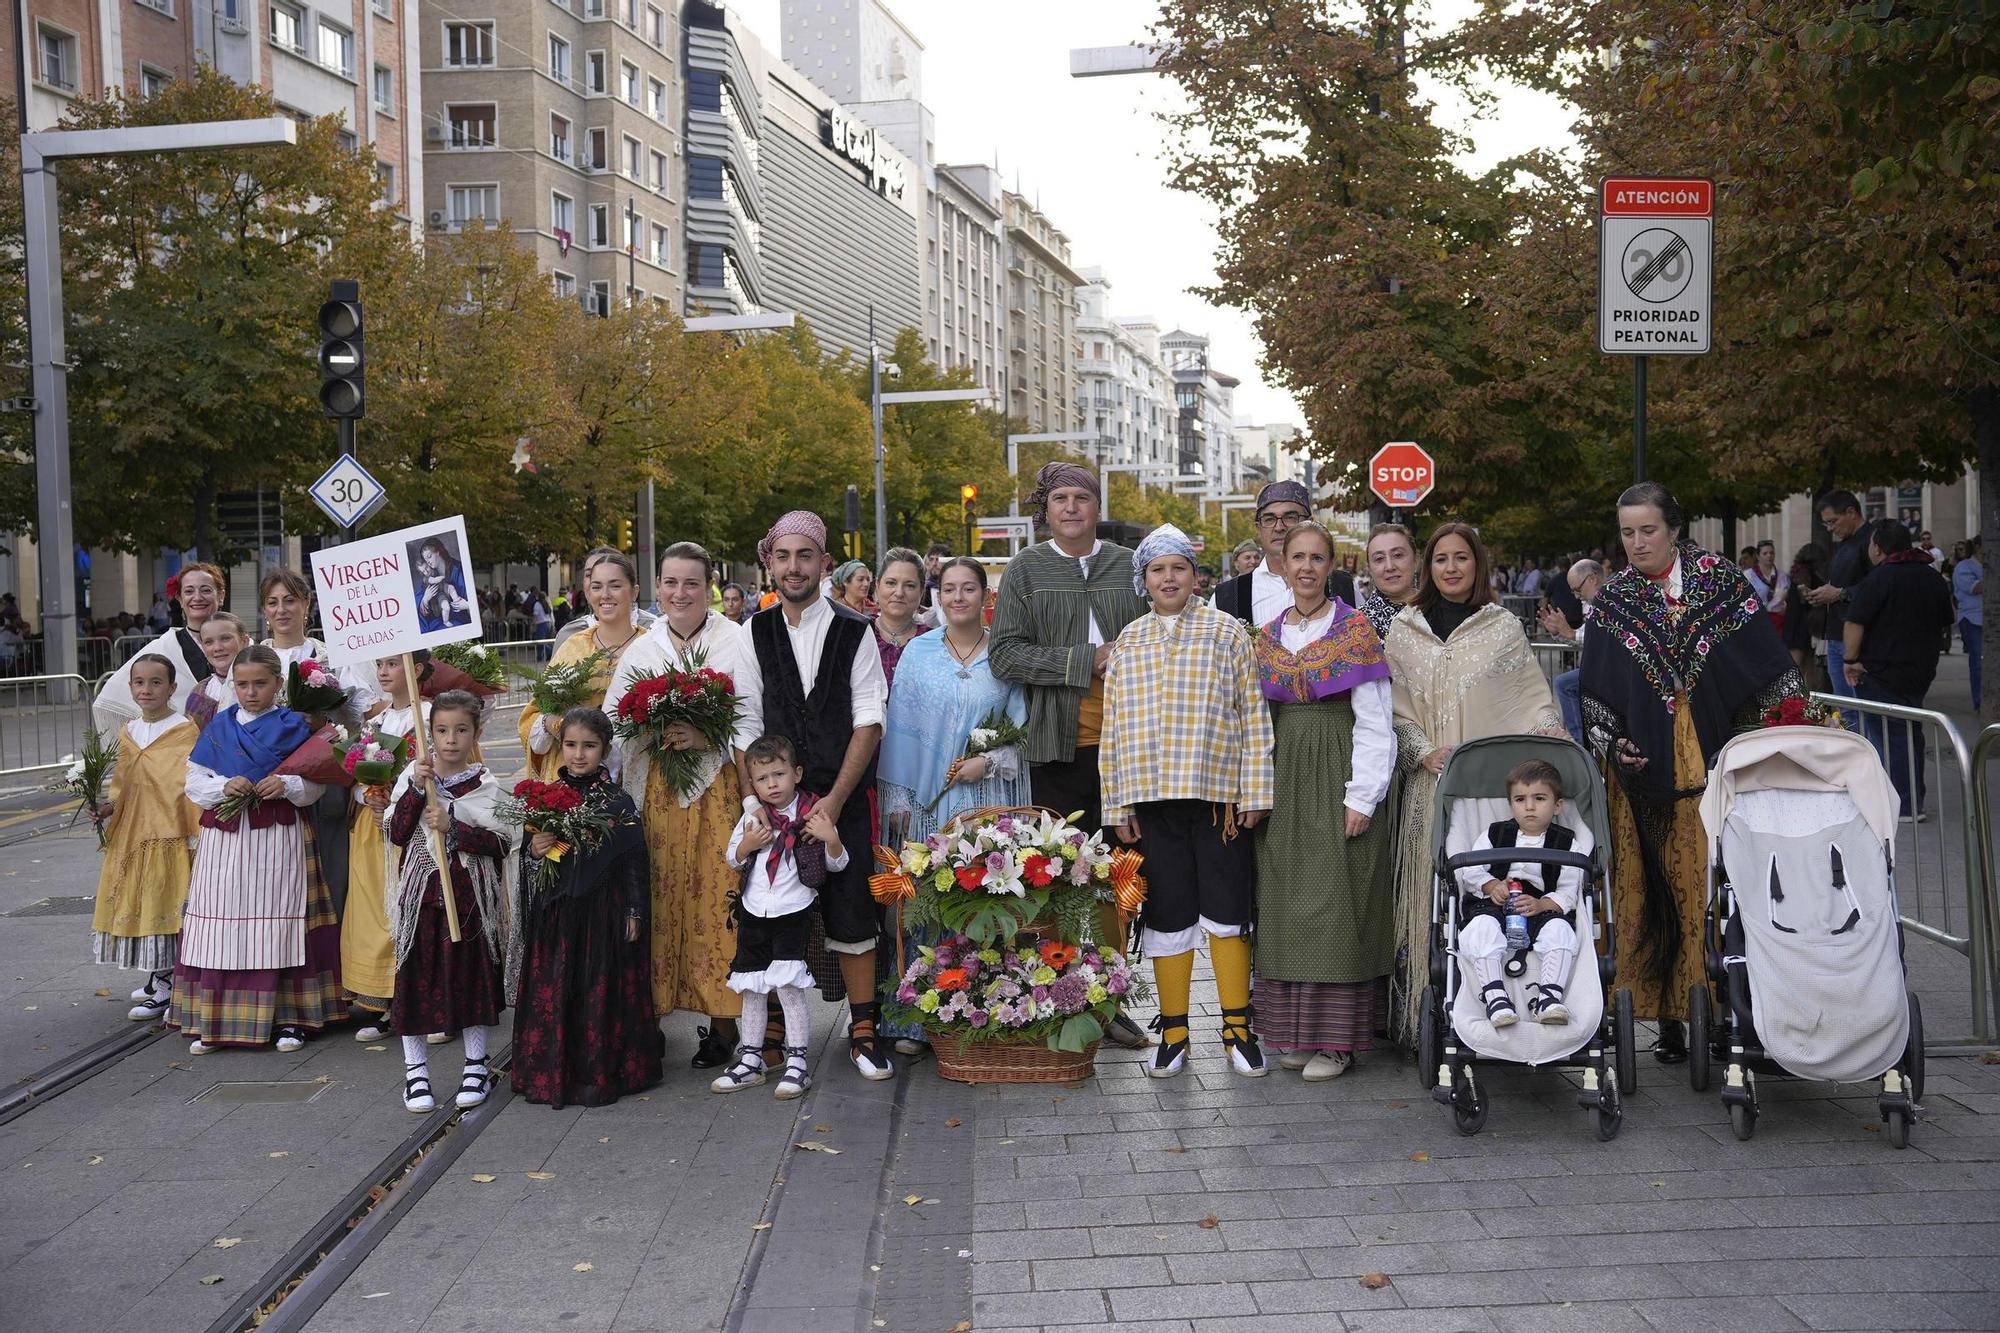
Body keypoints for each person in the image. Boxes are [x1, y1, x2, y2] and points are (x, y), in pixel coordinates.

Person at [1580, 482, 1800, 1063]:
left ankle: (1720, 1004)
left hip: (1714, 756)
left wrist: (1800, 720)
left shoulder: (1721, 582)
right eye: (1627, 532)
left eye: (1647, 530)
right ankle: (1662, 1014)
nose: (1636, 543)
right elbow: (1597, 694)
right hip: (1646, 768)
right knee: (1650, 881)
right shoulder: (1615, 599)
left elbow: (1766, 665)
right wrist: (1613, 741)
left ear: (1674, 529)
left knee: (1712, 879)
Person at [1101, 524, 1275, 1078]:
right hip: (1152, 801)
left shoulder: (1227, 635)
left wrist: (1256, 790)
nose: (1169, 578)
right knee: (1168, 914)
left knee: (1227, 912)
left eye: (1178, 568)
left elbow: (1253, 716)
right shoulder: (1129, 641)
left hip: (1219, 799)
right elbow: (1114, 730)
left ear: (1196, 577)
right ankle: (1174, 1032)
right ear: (1144, 580)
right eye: (1158, 570)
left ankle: (1237, 1028)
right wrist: (1117, 805)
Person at [989, 461, 1153, 1050]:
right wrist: (1083, 659)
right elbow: (1005, 655)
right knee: (1057, 876)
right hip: (1057, 748)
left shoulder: (1125, 566)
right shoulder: (1026, 570)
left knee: (1120, 877)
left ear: (1096, 505)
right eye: (1060, 498)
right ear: (1045, 507)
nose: (1072, 508)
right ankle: (1060, 996)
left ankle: (1109, 999)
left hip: (1127, 748)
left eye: (1082, 497)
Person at [1384, 522, 1562, 1047]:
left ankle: (1502, 1008)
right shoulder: (1404, 630)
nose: (1451, 568)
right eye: (1441, 559)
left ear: (1478, 564)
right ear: (1428, 567)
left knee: (1488, 894)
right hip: (1429, 786)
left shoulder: (1501, 627)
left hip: (1487, 792)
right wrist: (1422, 751)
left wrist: (1553, 734)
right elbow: (1392, 710)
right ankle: (1428, 1017)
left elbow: (1529, 699)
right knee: (1428, 900)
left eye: (1461, 558)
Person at [741, 513, 897, 1078]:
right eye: (783, 557)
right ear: (770, 563)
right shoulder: (752, 632)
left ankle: (863, 1026)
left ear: (824, 562)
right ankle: (776, 1029)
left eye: (804, 556)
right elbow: (746, 723)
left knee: (852, 907)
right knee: (775, 908)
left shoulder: (857, 630)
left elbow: (868, 720)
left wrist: (831, 802)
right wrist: (754, 802)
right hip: (776, 800)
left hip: (841, 797)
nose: (793, 567)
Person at [604, 542, 764, 1070]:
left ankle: (723, 1025)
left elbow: (750, 720)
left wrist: (706, 736)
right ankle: (650, 1017)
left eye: (691, 583)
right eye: (671, 583)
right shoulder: (643, 648)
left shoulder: (734, 640)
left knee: (717, 903)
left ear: (710, 586)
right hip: (655, 794)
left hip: (717, 791)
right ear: (658, 588)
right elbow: (614, 722)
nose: (680, 593)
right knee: (657, 902)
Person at [1251, 522, 1395, 1080]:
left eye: (1317, 558)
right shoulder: (1265, 638)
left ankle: (1337, 1041)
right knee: (1287, 905)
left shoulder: (1355, 632)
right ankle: (1294, 1031)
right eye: (1297, 558)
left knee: (1339, 902)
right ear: (1283, 566)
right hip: (1286, 779)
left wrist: (1363, 797)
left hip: (1339, 772)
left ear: (1331, 566)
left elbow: (1376, 722)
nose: (1306, 567)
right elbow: (1256, 722)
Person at [877, 557, 1029, 1053]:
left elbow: (1021, 727)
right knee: (927, 904)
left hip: (986, 801)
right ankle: (917, 1018)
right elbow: (900, 725)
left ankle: (985, 1010)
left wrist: (989, 763)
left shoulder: (1004, 655)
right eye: (948, 589)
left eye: (968, 589)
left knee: (984, 901)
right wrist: (899, 796)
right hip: (929, 803)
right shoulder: (919, 653)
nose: (957, 597)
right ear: (937, 597)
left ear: (986, 597)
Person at [174, 645, 346, 1054]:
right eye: (242, 684)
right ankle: (214, 1022)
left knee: (283, 924)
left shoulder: (297, 725)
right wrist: (222, 786)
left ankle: (291, 1018)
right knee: (220, 925)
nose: (250, 692)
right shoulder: (218, 726)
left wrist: (286, 785)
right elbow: (193, 780)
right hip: (226, 839)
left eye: (260, 683)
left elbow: (316, 784)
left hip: (278, 836)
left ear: (278, 684)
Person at [511, 707, 661, 1108]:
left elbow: (632, 861)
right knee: (559, 987)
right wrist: (540, 850)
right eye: (571, 745)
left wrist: (634, 911)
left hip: (602, 915)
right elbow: (539, 860)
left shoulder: (618, 801)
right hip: (558, 915)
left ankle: (599, 1074)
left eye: (589, 746)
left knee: (598, 988)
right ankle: (552, 1072)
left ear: (605, 750)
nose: (579, 755)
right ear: (560, 747)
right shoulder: (543, 799)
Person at [386, 690, 517, 1113]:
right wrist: (414, 791)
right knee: (415, 980)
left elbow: (502, 842)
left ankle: (475, 1064)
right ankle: (415, 1071)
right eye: (441, 731)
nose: (450, 740)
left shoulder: (486, 786)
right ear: (429, 734)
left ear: (476, 733)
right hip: (422, 899)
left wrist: (455, 827)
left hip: (468, 900)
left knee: (470, 980)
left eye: (461, 730)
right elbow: (396, 832)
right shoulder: (414, 778)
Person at [711, 735, 847, 1098]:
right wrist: (748, 845)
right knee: (753, 987)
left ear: (796, 773)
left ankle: (798, 1061)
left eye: (779, 774)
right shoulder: (753, 817)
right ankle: (751, 1057)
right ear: (752, 785)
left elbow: (838, 863)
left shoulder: (813, 814)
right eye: (762, 778)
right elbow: (733, 859)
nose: (772, 784)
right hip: (754, 909)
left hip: (793, 910)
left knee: (787, 986)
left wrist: (829, 837)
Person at [90, 654, 201, 1020]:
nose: (147, 689)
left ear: (172, 688)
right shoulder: (130, 731)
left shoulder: (185, 730)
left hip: (169, 831)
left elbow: (187, 783)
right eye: (139, 682)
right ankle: (161, 976)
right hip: (134, 832)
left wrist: (195, 832)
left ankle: (169, 980)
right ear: (131, 688)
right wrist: (108, 807)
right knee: (143, 900)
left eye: (156, 682)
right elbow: (124, 781)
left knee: (167, 900)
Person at [1450, 759, 1591, 1026]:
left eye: (1539, 798)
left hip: (1539, 908)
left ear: (1557, 805)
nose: (1529, 807)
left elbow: (1569, 888)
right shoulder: (1494, 834)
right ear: (1510, 804)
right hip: (1493, 906)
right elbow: (1471, 871)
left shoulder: (1565, 843)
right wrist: (1492, 886)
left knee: (1560, 931)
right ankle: (1495, 997)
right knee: (1481, 927)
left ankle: (1549, 998)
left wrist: (1543, 904)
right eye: (1520, 799)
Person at [1845, 519, 1955, 821]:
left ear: (1877, 548)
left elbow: (1855, 622)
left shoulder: (1879, 579)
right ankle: (1910, 799)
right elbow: (1948, 618)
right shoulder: (1932, 577)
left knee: (1889, 736)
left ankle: (1901, 803)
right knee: (1910, 732)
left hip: (1880, 669)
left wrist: (1849, 660)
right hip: (1920, 669)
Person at [342, 653, 427, 1043]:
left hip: (415, 830)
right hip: (374, 831)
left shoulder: (429, 718)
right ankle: (387, 1001)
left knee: (416, 909)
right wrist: (369, 796)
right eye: (380, 664)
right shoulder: (375, 724)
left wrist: (394, 803)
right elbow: (357, 773)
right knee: (380, 912)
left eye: (393, 663)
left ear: (417, 669)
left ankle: (426, 1002)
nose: (383, 671)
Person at [520, 549, 648, 782]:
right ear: (588, 592)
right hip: (576, 778)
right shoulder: (573, 647)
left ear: (634, 591)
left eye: (615, 586)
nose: (605, 595)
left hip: (638, 774)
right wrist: (553, 724)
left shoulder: (652, 646)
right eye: (597, 587)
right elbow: (535, 712)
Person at [94, 562, 227, 733]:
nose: (197, 597)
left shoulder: (241, 646)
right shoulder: (162, 647)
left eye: (206, 590)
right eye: (189, 591)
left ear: (221, 595)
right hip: (177, 750)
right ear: (179, 598)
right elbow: (111, 697)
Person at [1213, 480, 1355, 628]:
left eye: (1290, 517)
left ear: (1309, 523)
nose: (1279, 527)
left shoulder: (1343, 586)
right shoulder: (1227, 596)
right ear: (1258, 528)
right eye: (1269, 519)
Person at [1803, 490, 1875, 723]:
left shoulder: (1871, 542)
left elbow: (1877, 587)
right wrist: (1824, 593)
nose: (1830, 528)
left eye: (1833, 521)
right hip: (1835, 634)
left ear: (1851, 512)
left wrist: (1840, 593)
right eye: (1826, 524)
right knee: (1845, 709)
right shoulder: (1844, 544)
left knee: (1860, 708)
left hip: (1856, 638)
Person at [1536, 559, 1604, 747]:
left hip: (1616, 672)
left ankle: (1579, 744)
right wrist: (1559, 633)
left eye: (1577, 590)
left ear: (1592, 579)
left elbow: (1601, 634)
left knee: (1564, 684)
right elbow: (1582, 636)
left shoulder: (1610, 600)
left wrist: (1569, 633)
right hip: (1602, 669)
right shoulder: (1594, 603)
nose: (1576, 596)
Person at [870, 548, 932, 691]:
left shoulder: (933, 642)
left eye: (909, 585)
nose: (899, 593)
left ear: (921, 591)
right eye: (891, 583)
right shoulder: (858, 634)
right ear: (878, 587)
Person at [185, 613, 249, 730]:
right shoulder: (198, 692)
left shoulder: (260, 686)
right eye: (209, 642)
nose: (217, 648)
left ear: (244, 641)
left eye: (225, 639)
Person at [1360, 523, 1419, 639]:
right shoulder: (1357, 627)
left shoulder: (1442, 612)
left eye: (1398, 555)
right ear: (1370, 569)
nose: (1389, 566)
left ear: (1416, 560)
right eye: (1379, 559)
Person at [1955, 536, 1983, 708]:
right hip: (1972, 619)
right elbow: (1975, 588)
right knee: (1978, 662)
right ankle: (1980, 701)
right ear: (1979, 547)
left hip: (1989, 620)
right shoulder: (1964, 567)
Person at [1746, 541, 1789, 637]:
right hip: (1757, 620)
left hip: (1778, 622)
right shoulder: (1748, 575)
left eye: (1772, 553)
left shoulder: (1782, 576)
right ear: (1758, 556)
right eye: (1765, 553)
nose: (1769, 556)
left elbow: (1784, 598)